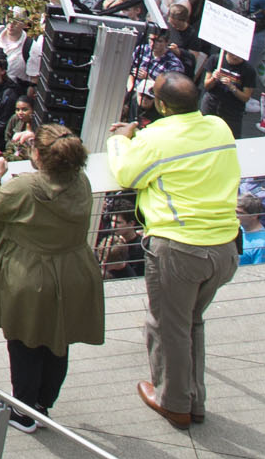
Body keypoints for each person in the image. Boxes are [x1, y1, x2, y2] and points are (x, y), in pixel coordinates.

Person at [103, 72, 241, 428]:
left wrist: (121, 140)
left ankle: (175, 403)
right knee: (191, 322)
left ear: (161, 105)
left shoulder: (155, 138)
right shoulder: (219, 128)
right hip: (224, 249)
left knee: (168, 327)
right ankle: (193, 399)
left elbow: (126, 175)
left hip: (180, 251)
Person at [0, 126, 106, 422]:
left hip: (32, 276)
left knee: (24, 342)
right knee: (58, 339)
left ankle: (23, 411)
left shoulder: (27, 188)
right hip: (74, 271)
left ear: (39, 156)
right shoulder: (81, 181)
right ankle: (43, 404)